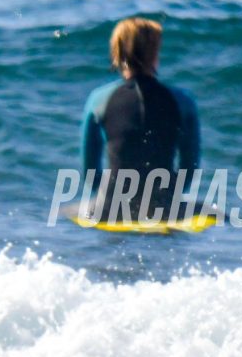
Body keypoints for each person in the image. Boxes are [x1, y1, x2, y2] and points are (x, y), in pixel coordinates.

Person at [79, 15, 200, 221]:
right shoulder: (183, 101)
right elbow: (189, 167)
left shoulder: (99, 99)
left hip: (111, 206)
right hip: (165, 204)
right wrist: (171, 194)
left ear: (117, 53)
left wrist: (104, 194)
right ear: (155, 53)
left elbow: (90, 169)